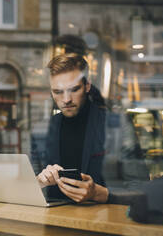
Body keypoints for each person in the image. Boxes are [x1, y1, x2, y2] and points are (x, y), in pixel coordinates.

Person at [36, 53, 109, 203]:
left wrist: (98, 193)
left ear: (87, 86)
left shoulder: (112, 124)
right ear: (51, 92)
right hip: (54, 220)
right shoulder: (43, 130)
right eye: (58, 92)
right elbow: (27, 185)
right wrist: (39, 182)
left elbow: (140, 189)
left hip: (102, 222)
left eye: (74, 89)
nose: (66, 99)